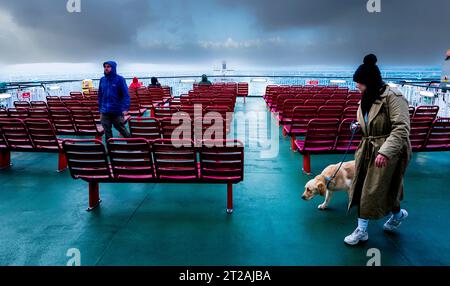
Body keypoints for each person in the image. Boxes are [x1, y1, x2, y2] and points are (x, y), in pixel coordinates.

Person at [344, 54, 412, 246]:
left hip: (389, 152)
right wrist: (361, 126)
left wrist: (385, 152)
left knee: (375, 189)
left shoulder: (393, 96)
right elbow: (370, 120)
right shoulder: (368, 96)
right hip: (368, 148)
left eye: (360, 83)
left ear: (370, 82)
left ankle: (362, 230)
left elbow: (401, 127)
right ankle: (395, 216)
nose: (357, 86)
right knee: (364, 187)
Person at [98, 61, 131, 142]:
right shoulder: (102, 80)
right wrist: (100, 110)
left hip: (116, 111)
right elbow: (100, 95)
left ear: (113, 68)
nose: (106, 68)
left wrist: (125, 109)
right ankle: (111, 150)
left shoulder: (120, 79)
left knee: (122, 130)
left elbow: (126, 95)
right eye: (105, 66)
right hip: (105, 112)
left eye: (108, 66)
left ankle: (132, 144)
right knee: (107, 133)